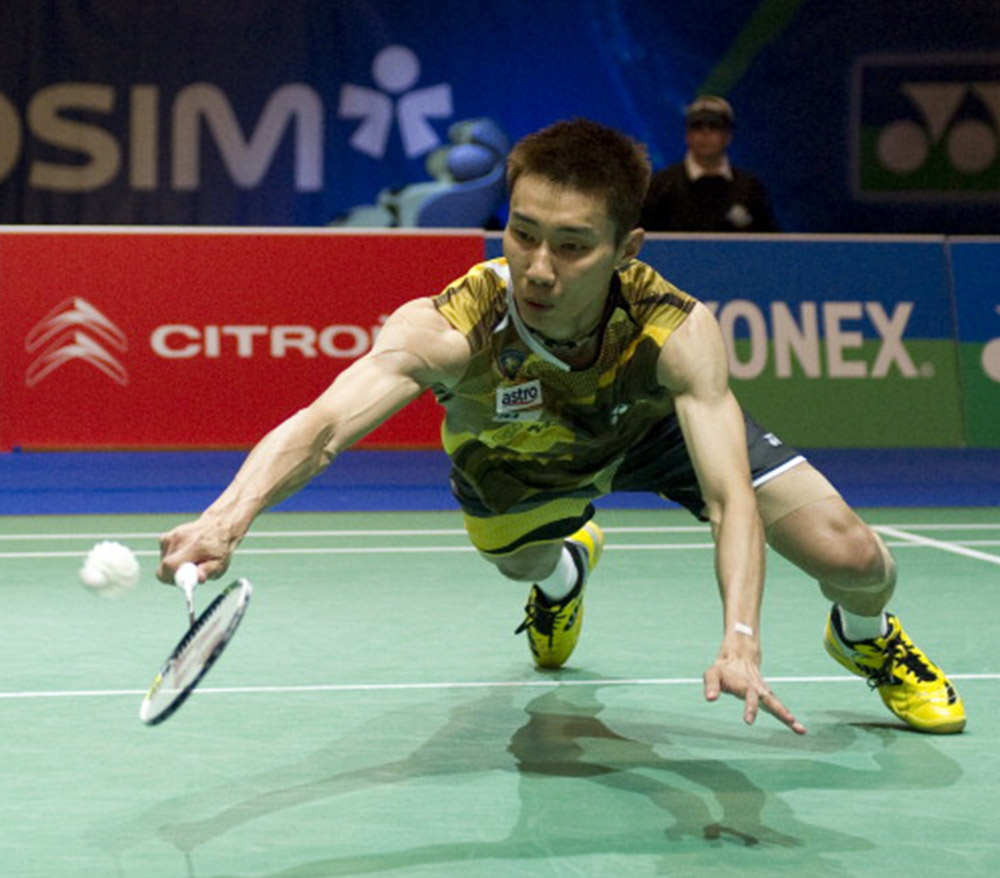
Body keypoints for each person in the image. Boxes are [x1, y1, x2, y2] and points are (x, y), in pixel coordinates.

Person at [158, 118, 964, 736]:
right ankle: (563, 578)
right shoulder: (454, 325)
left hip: (652, 431)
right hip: (515, 459)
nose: (539, 268)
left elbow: (730, 500)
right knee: (525, 565)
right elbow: (326, 425)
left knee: (856, 556)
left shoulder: (674, 329)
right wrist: (227, 517)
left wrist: (741, 636)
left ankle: (863, 636)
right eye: (523, 234)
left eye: (573, 246)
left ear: (626, 248)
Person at [641, 96, 779, 233]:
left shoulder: (749, 189)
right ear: (687, 136)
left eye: (714, 126)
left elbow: (770, 241)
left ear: (728, 136)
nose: (705, 133)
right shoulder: (662, 186)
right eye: (697, 126)